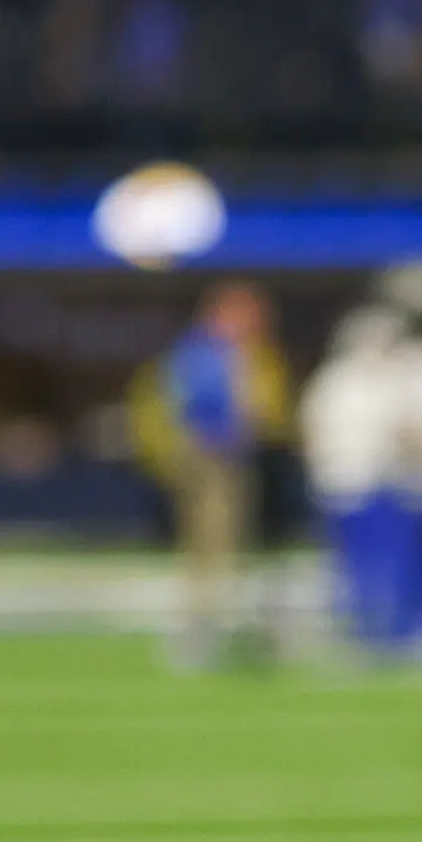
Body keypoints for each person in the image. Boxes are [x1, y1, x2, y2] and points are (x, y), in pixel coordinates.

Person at [135, 280, 279, 666]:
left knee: (224, 547)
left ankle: (214, 631)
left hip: (226, 455)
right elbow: (196, 405)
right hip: (210, 456)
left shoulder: (235, 351)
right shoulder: (203, 351)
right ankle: (199, 636)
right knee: (211, 548)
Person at [296, 302, 421, 656]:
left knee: (379, 560)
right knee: (359, 561)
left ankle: (380, 626)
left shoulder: (367, 380)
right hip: (350, 484)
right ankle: (363, 627)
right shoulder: (342, 381)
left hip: (374, 482)